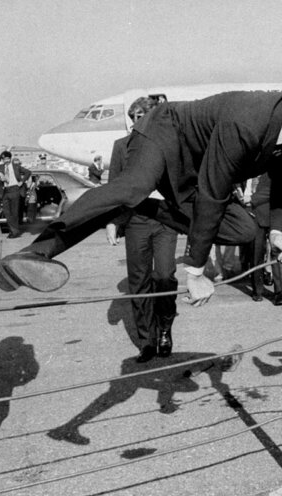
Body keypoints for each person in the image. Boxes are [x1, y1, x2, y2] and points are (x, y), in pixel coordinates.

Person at [0, 75, 282, 300]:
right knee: (133, 187)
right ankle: (38, 251)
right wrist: (195, 269)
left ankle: (139, 208)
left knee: (245, 228)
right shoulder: (248, 121)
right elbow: (214, 190)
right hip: (166, 134)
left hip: (194, 165)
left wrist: (279, 233)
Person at [106, 97, 179, 364]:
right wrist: (113, 221)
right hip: (136, 220)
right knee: (138, 282)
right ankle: (147, 341)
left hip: (165, 220)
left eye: (141, 116)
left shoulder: (170, 145)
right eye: (133, 116)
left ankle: (164, 330)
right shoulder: (121, 147)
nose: (136, 121)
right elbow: (115, 187)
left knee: (164, 275)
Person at [247, 173, 282, 305]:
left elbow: (273, 189)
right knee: (256, 253)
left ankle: (279, 292)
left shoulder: (271, 167)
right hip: (251, 216)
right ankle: (257, 290)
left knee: (276, 252)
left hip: (272, 214)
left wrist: (251, 199)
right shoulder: (245, 166)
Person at [0, 151, 31, 238]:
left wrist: (21, 182)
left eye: (7, 158)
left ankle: (14, 232)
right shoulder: (1, 167)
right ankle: (14, 231)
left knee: (14, 213)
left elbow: (28, 172)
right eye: (4, 159)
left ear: (10, 158)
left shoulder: (16, 167)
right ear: (2, 160)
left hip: (15, 190)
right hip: (5, 191)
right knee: (7, 213)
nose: (6, 160)